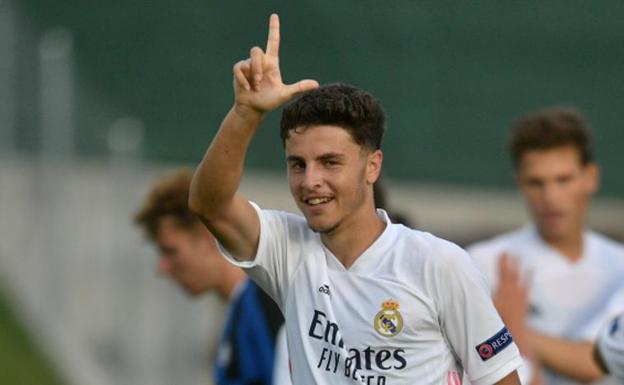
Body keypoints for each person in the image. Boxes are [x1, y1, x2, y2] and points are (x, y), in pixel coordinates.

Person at [189, 14, 522, 385]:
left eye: (330, 162)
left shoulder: (439, 265)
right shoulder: (287, 250)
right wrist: (246, 113)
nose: (311, 181)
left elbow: (501, 379)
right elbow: (209, 206)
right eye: (298, 164)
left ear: (372, 166)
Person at [467, 107, 624, 385]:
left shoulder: (620, 264)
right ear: (520, 184)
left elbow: (596, 362)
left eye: (563, 180)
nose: (550, 197)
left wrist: (509, 328)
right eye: (535, 183)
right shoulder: (483, 262)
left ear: (591, 178)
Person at [134, 168, 289, 385]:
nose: (162, 268)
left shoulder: (267, 302)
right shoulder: (241, 308)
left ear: (208, 237)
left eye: (170, 251)